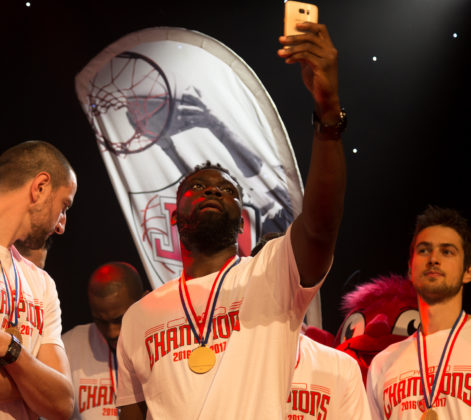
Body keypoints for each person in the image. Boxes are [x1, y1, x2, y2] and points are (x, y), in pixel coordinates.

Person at [117, 21, 347, 419]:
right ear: (175, 218)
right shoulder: (140, 316)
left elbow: (320, 226)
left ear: (242, 222)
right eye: (197, 187)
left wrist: (328, 114)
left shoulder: (273, 273)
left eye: (226, 190)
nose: (211, 192)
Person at [367, 206, 471, 419]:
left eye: (447, 251)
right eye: (424, 250)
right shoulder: (382, 364)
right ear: (410, 269)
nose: (433, 259)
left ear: (468, 271)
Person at [0, 140, 76, 419]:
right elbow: (49, 394)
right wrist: (33, 384)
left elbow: (63, 402)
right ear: (40, 187)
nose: (61, 225)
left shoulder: (42, 283)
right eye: (64, 206)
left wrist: (12, 350)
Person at [62, 262, 145, 420]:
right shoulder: (68, 346)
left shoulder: (160, 343)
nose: (112, 332)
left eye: (119, 319)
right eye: (100, 321)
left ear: (143, 301)